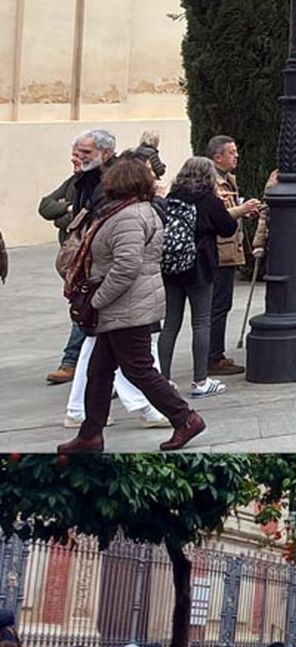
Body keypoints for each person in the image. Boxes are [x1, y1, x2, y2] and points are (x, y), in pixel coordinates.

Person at [55, 156, 205, 455]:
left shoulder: (128, 216)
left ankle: (185, 418)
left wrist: (97, 300)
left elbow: (126, 266)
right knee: (99, 371)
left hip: (127, 306)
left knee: (138, 369)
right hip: (125, 305)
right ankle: (90, 434)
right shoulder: (131, 211)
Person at [39, 130, 117, 386]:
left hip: (99, 259)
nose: (77, 158)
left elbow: (90, 218)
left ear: (104, 153)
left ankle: (72, 364)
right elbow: (46, 207)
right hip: (77, 259)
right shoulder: (77, 181)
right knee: (85, 310)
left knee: (88, 311)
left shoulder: (110, 181)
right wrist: (69, 210)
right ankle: (78, 372)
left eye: (84, 153)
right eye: (75, 153)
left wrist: (68, 215)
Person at [158, 156, 238, 397]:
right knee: (201, 322)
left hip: (171, 267)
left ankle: (163, 380)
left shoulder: (172, 198)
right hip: (200, 267)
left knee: (170, 323)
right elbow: (228, 228)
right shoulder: (208, 200)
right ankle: (200, 381)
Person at [202, 135, 259, 377]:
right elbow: (218, 215)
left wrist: (243, 212)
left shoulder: (228, 179)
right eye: (232, 153)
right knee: (218, 304)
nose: (237, 156)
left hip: (229, 248)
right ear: (218, 157)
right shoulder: (212, 181)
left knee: (221, 304)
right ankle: (213, 356)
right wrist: (241, 209)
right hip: (220, 250)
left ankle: (215, 353)